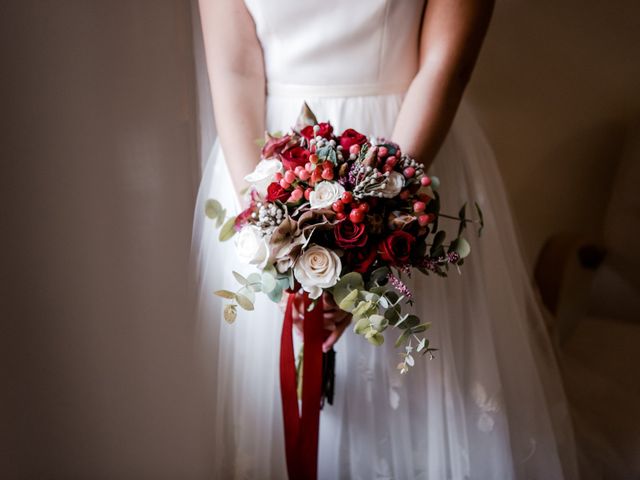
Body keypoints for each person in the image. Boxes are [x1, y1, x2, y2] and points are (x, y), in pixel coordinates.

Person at [191, 0, 578, 478]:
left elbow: (444, 66)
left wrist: (371, 231)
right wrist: (270, 227)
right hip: (264, 163)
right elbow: (234, 71)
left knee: (420, 395)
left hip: (408, 154)